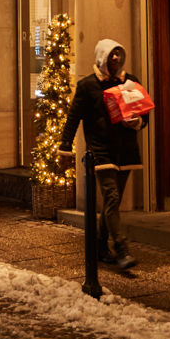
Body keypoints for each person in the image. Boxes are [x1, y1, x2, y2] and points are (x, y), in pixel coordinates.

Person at [59, 39, 148, 271]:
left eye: (119, 54)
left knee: (113, 202)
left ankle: (99, 247)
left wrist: (137, 121)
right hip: (100, 150)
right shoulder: (87, 86)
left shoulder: (131, 82)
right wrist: (65, 146)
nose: (116, 59)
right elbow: (73, 117)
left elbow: (143, 115)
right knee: (111, 198)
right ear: (102, 57)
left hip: (126, 150)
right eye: (111, 55)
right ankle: (121, 249)